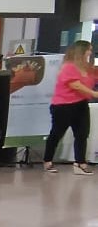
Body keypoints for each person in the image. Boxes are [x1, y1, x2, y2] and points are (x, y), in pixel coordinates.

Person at [43, 40, 97, 175]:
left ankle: (80, 163)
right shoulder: (68, 67)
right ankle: (47, 161)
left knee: (82, 134)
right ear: (81, 51)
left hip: (81, 104)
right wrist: (93, 93)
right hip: (63, 106)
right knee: (57, 133)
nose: (90, 52)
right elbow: (75, 85)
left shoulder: (89, 68)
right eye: (88, 50)